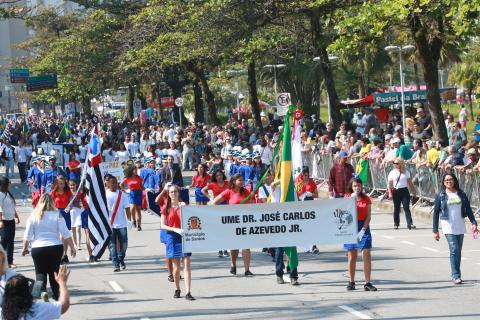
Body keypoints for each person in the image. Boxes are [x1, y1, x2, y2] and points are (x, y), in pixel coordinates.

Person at [22, 194, 75, 301]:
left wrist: (25, 248)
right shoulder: (57, 214)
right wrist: (72, 247)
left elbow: (27, 234)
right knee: (54, 272)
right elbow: (65, 232)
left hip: (38, 248)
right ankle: (56, 296)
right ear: (52, 202)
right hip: (55, 247)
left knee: (40, 274)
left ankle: (39, 295)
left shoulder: (34, 215)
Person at [433, 174, 478, 285]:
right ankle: (456, 275)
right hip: (447, 225)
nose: (449, 181)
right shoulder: (441, 195)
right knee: (454, 248)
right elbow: (435, 213)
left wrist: (473, 222)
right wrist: (435, 230)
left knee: (458, 251)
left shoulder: (461, 194)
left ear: (454, 181)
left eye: (451, 179)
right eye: (446, 180)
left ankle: (456, 273)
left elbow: (468, 209)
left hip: (459, 225)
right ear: (443, 182)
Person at [212, 174, 254, 276]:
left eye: (242, 180)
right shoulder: (228, 192)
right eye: (239, 180)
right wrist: (223, 214)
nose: (242, 182)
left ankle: (247, 269)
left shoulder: (246, 192)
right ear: (234, 181)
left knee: (246, 247)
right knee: (234, 247)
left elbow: (252, 203)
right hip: (233, 223)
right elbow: (214, 203)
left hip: (245, 222)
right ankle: (233, 265)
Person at [160, 185, 195, 300]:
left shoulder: (184, 205)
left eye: (175, 192)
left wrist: (185, 208)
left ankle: (188, 292)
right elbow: (162, 225)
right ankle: (177, 288)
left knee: (187, 264)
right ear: (168, 194)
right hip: (172, 237)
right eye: (171, 192)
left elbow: (192, 219)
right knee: (176, 268)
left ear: (178, 193)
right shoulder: (166, 207)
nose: (173, 194)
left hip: (184, 236)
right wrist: (174, 229)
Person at [343, 177, 377, 291]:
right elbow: (343, 213)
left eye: (358, 185)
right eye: (354, 186)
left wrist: (363, 230)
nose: (357, 188)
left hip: (363, 226)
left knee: (366, 253)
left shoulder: (366, 199)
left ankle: (367, 282)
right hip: (351, 226)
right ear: (351, 187)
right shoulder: (347, 197)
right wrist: (349, 201)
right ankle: (351, 281)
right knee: (352, 255)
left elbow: (368, 216)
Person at [1, 264, 71, 319]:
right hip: (54, 253)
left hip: (38, 259)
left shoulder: (3, 313)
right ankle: (49, 299)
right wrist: (62, 283)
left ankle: (46, 297)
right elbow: (64, 305)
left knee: (40, 280)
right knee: (42, 285)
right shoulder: (37, 309)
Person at [106, 175, 132, 272]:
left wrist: (129, 220)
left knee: (124, 245)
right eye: (111, 182)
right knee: (112, 245)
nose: (113, 184)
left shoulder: (122, 195)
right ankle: (116, 264)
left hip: (121, 224)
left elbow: (127, 208)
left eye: (115, 182)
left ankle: (120, 258)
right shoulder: (105, 195)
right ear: (107, 184)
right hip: (110, 224)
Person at [387, 158, 416, 230]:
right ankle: (396, 223)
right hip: (396, 191)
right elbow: (390, 184)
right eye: (394, 163)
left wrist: (414, 191)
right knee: (396, 208)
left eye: (397, 163)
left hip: (404, 191)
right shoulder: (392, 172)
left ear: (401, 163)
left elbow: (410, 183)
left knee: (406, 207)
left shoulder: (406, 172)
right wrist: (390, 193)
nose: (395, 165)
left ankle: (410, 223)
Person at [50, 176, 73, 264]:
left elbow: (71, 203)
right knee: (59, 237)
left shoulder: (67, 192)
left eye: (62, 183)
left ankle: (64, 255)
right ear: (56, 183)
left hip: (66, 214)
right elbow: (50, 204)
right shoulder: (53, 192)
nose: (61, 185)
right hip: (56, 215)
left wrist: (69, 207)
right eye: (59, 183)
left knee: (65, 236)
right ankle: (60, 255)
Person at [0, 177, 20, 268]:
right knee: (4, 241)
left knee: (11, 241)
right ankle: (2, 261)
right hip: (3, 221)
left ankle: (10, 262)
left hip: (11, 220)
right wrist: (0, 221)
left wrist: (16, 216)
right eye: (9, 183)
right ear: (5, 184)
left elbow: (12, 206)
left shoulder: (7, 193)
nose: (10, 184)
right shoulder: (0, 195)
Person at [120, 165, 144, 231]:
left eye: (136, 170)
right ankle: (133, 220)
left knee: (138, 210)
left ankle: (139, 225)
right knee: (132, 208)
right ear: (132, 171)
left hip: (138, 193)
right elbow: (121, 185)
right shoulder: (127, 178)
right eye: (135, 170)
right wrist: (125, 190)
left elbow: (141, 186)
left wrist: (145, 190)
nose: (136, 171)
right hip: (132, 193)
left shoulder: (139, 178)